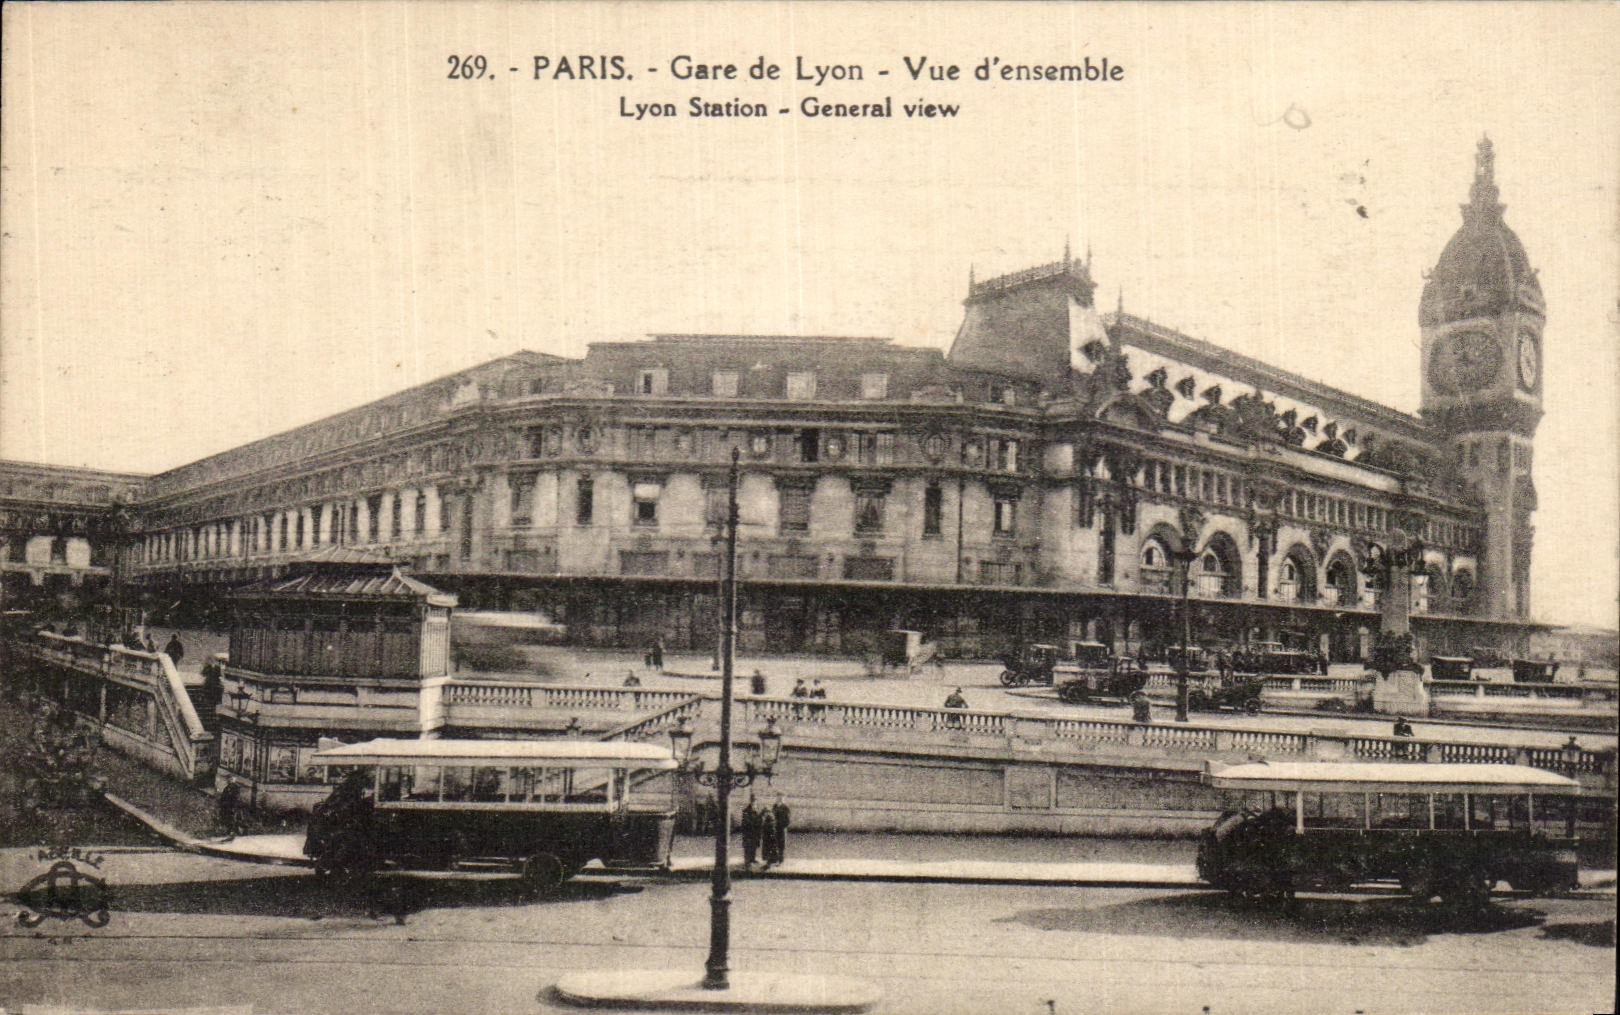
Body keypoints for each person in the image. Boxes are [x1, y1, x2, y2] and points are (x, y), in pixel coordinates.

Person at [740, 796, 762, 868]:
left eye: (755, 802)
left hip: (755, 833)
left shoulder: (756, 811)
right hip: (748, 833)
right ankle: (747, 862)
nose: (755, 804)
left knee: (754, 846)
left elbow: (759, 820)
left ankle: (752, 859)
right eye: (753, 802)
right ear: (751, 802)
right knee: (748, 847)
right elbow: (746, 822)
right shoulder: (746, 811)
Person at [770, 794, 792, 865]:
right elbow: (772, 816)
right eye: (778, 798)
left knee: (781, 845)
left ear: (783, 799)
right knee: (773, 843)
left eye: (781, 798)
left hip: (782, 829)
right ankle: (774, 859)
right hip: (774, 828)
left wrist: (782, 824)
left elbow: (788, 820)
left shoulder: (786, 808)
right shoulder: (774, 806)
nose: (779, 799)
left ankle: (780, 860)